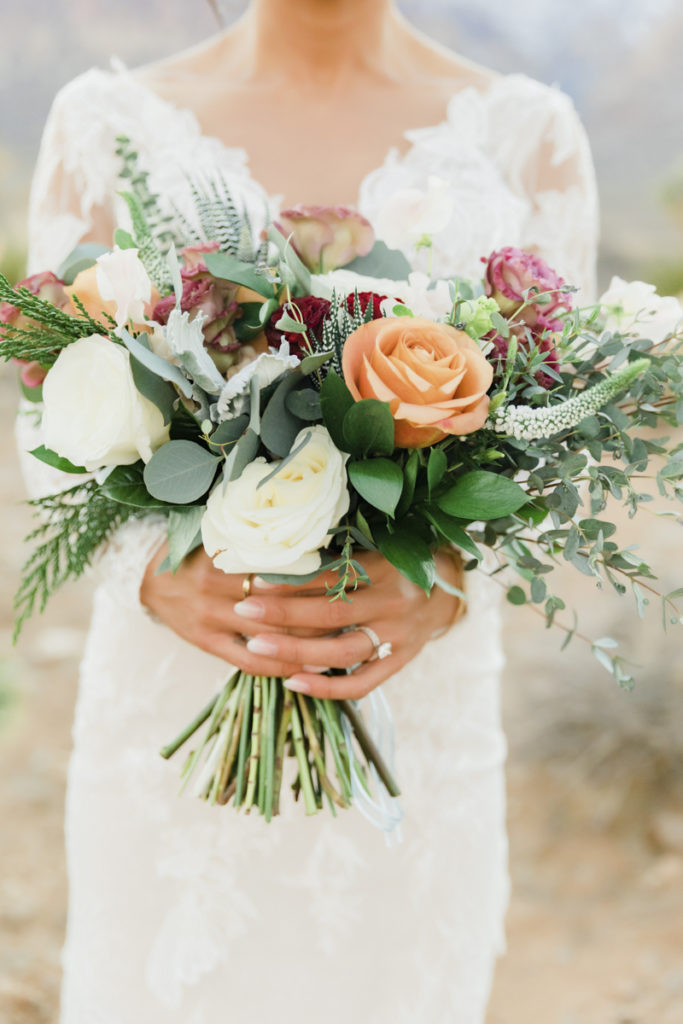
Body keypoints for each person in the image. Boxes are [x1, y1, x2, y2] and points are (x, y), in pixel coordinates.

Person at [18, 0, 599, 1020]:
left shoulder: (529, 136)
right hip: (173, 716)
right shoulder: (104, 124)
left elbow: (557, 446)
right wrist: (151, 572)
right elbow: (51, 425)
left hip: (412, 722)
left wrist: (451, 579)